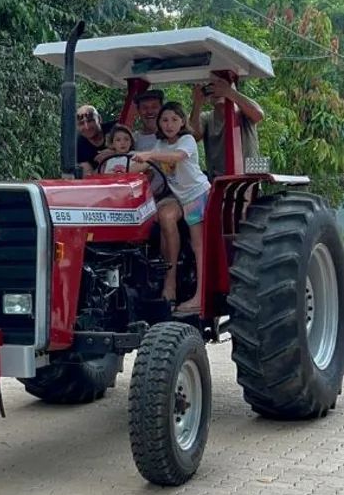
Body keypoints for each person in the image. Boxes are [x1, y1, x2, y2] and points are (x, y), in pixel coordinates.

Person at [134, 101, 211, 316]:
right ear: (159, 122)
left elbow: (176, 157)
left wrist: (149, 155)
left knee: (199, 247)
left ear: (182, 122)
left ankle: (200, 297)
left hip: (197, 196)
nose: (169, 125)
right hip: (181, 199)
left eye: (174, 120)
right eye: (165, 120)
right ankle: (166, 282)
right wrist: (120, 163)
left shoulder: (186, 141)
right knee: (160, 218)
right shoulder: (160, 145)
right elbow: (145, 164)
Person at [191, 77, 264, 178]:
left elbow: (259, 114)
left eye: (220, 86)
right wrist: (197, 103)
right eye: (212, 87)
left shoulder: (244, 112)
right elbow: (194, 135)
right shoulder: (207, 117)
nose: (217, 91)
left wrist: (229, 92)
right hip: (219, 181)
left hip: (248, 181)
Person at [76, 104, 115, 175]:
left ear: (99, 119)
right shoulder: (78, 146)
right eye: (81, 123)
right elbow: (89, 176)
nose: (86, 127)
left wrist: (116, 153)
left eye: (90, 121)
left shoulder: (115, 129)